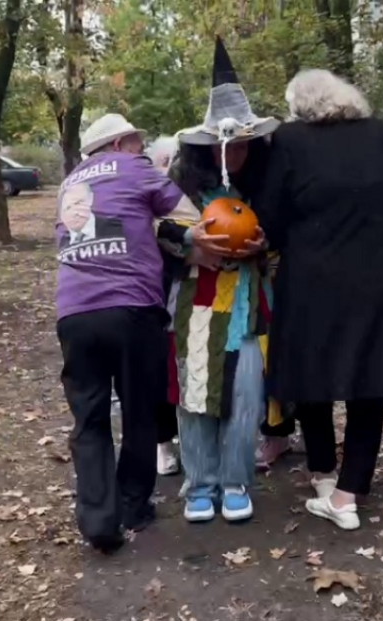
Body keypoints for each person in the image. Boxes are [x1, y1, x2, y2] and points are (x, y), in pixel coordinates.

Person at [255, 70, 383, 531]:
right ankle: (349, 491)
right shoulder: (377, 133)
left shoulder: (289, 140)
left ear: (300, 107)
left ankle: (324, 474)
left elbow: (270, 214)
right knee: (370, 377)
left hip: (315, 276)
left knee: (314, 371)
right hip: (379, 274)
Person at [55, 113, 198, 553]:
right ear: (119, 145)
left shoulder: (69, 182)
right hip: (133, 307)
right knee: (140, 408)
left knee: (90, 417)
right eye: (137, 141)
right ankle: (134, 505)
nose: (142, 148)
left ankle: (99, 521)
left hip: (74, 313)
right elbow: (190, 217)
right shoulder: (136, 169)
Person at [158, 37, 280, 523]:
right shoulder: (178, 185)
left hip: (248, 314)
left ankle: (234, 483)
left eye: (243, 146)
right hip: (195, 310)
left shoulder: (268, 186)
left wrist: (263, 248)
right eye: (225, 147)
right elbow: (155, 227)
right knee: (194, 401)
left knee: (245, 398)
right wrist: (189, 243)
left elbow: (284, 243)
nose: (235, 154)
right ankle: (200, 485)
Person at [145, 134, 182, 476]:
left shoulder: (189, 198)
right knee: (159, 370)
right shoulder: (144, 198)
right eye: (165, 162)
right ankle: (163, 444)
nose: (171, 169)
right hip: (156, 293)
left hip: (189, 291)